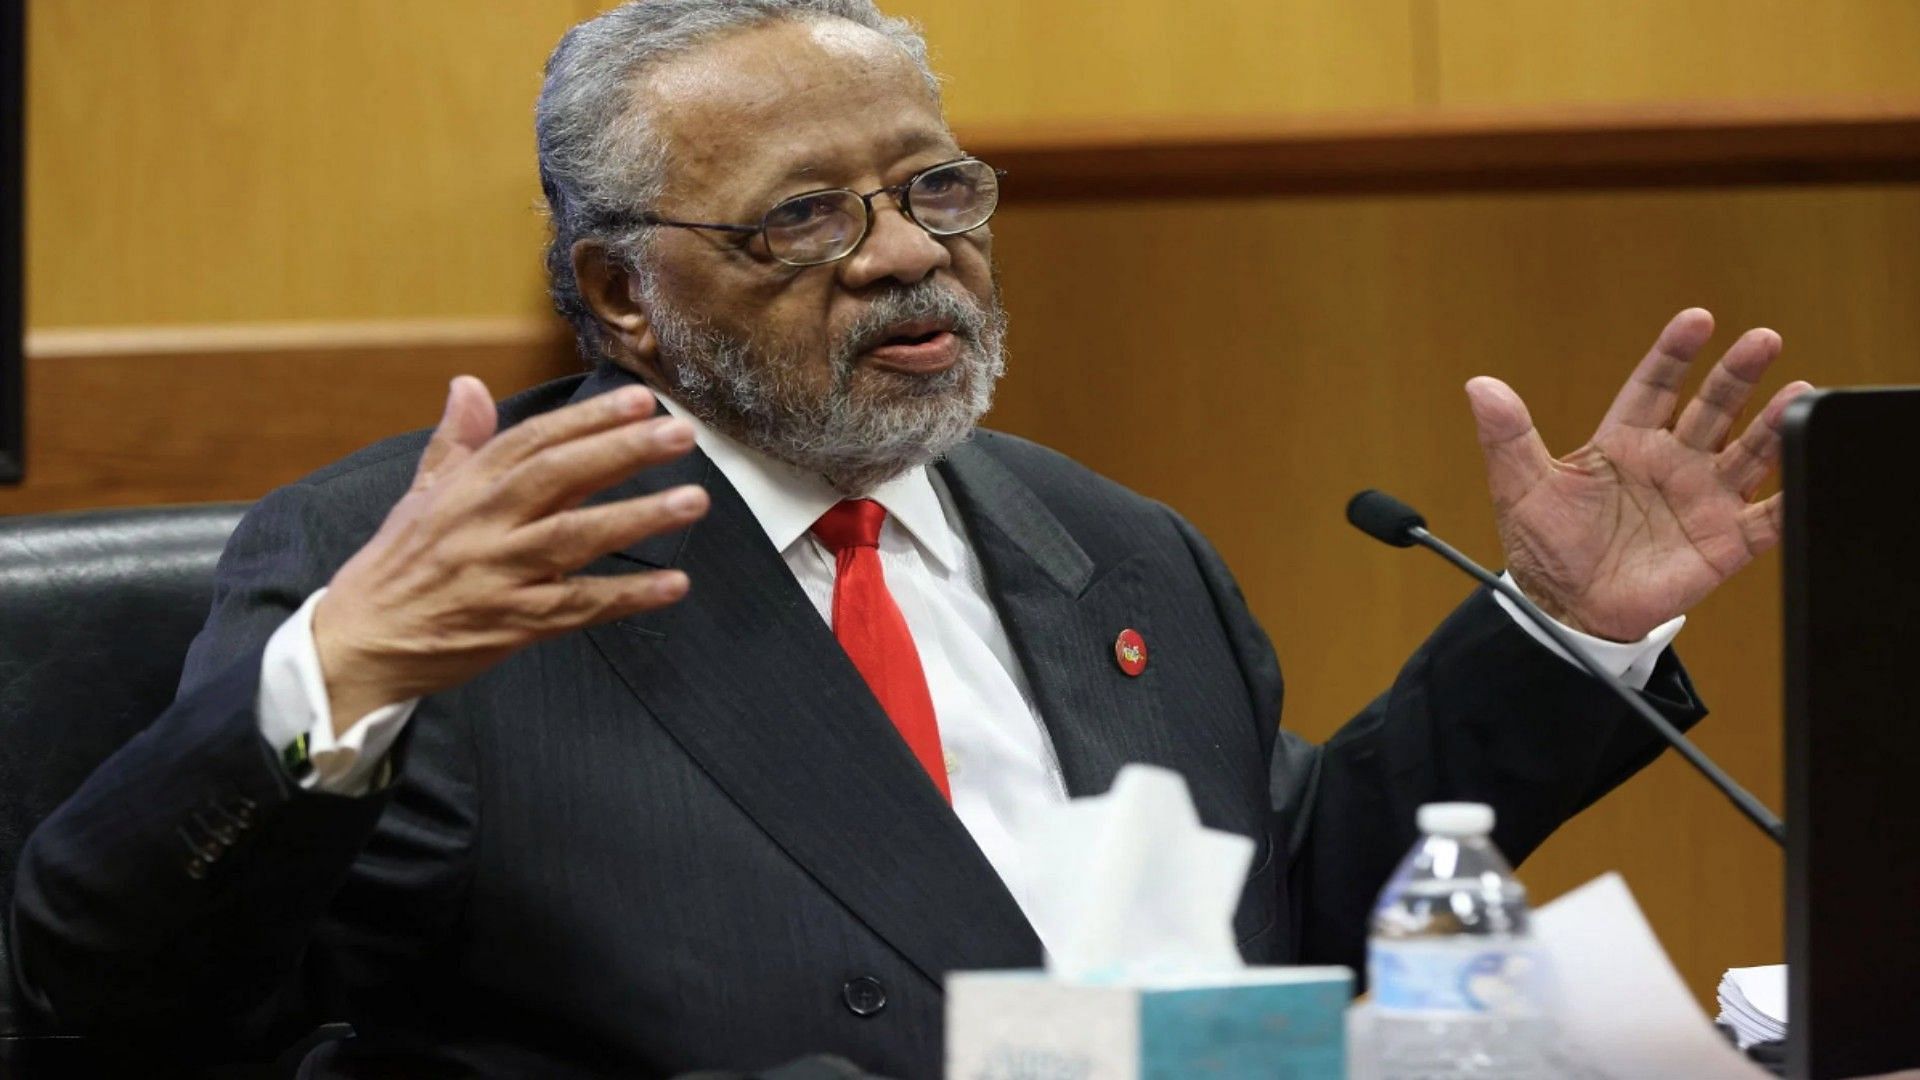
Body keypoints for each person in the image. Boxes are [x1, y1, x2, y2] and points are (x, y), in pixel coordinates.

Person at [8, 1, 1808, 1076]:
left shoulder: (1112, 544)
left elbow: (1286, 928)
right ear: (624, 295)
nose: (903, 254)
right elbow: (117, 1001)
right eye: (804, 217)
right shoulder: (429, 559)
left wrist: (1563, 633)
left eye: (937, 187)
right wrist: (339, 675)